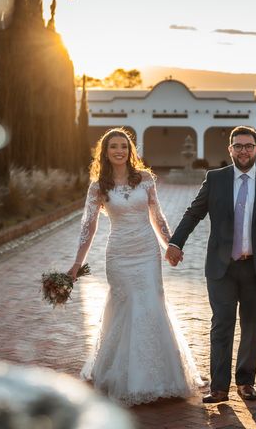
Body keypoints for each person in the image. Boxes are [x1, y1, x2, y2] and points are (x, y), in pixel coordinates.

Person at [68, 127, 202, 405]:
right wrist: (76, 264)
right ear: (105, 152)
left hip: (146, 252)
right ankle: (122, 375)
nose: (119, 151)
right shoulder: (98, 187)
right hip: (118, 255)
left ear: (131, 151)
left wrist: (171, 245)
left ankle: (159, 376)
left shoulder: (145, 180)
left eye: (124, 146)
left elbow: (158, 216)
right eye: (113, 146)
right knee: (125, 307)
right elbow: (88, 227)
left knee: (151, 304)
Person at [165, 125, 256, 403]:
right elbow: (194, 213)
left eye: (248, 146)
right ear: (230, 149)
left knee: (252, 326)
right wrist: (176, 242)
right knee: (221, 324)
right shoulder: (215, 179)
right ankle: (219, 388)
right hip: (221, 267)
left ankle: (246, 383)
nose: (243, 151)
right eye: (238, 146)